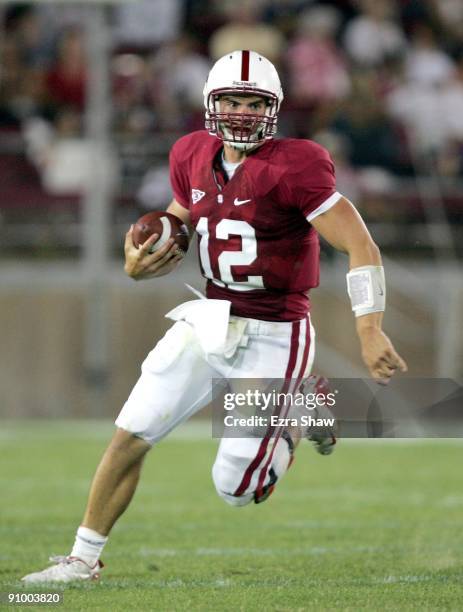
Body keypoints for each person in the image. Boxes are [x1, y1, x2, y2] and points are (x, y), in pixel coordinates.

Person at [22, 50, 407, 584]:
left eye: (254, 103)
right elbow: (185, 219)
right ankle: (82, 559)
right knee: (132, 432)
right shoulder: (190, 153)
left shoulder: (298, 164)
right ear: (212, 103)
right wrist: (141, 260)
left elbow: (361, 245)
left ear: (273, 109)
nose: (243, 113)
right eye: (232, 100)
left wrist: (369, 328)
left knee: (235, 488)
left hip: (275, 333)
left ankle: (305, 410)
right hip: (211, 318)